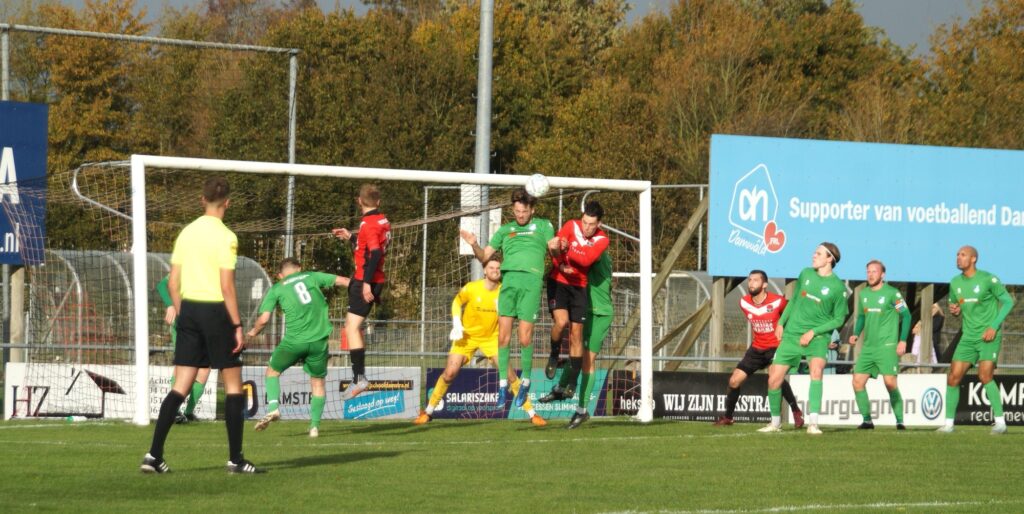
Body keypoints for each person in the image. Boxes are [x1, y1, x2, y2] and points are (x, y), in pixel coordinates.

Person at [141, 176, 260, 474]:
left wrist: (185, 315)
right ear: (228, 203)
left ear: (201, 200)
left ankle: (153, 456)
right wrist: (237, 325)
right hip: (216, 311)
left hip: (190, 311)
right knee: (233, 386)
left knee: (180, 385)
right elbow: (227, 286)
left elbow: (173, 283)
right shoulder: (226, 236)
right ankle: (235, 459)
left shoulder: (186, 232)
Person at [413, 255, 546, 426]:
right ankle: (428, 412)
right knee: (450, 372)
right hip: (466, 337)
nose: (495, 271)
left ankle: (532, 414)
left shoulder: (505, 291)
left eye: (498, 268)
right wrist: (456, 323)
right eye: (491, 268)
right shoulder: (472, 288)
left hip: (492, 339)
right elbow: (456, 302)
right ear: (484, 270)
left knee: (510, 375)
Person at [460, 187, 556, 407]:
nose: (520, 215)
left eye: (524, 211)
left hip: (530, 284)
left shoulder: (544, 226)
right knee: (502, 338)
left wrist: (557, 246)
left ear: (532, 209)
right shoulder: (505, 230)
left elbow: (554, 249)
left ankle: (526, 382)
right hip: (509, 284)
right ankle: (503, 385)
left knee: (524, 338)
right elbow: (484, 256)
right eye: (517, 211)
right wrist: (474, 243)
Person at [247, 258, 350, 438]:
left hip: (294, 342)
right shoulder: (311, 276)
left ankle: (273, 408)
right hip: (319, 342)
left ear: (280, 275)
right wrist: (365, 289)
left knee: (272, 372)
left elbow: (263, 320)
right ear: (299, 268)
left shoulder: (277, 288)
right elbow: (344, 281)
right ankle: (314, 427)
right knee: (317, 383)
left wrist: (251, 333)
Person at [759, 242, 848, 435]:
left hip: (817, 338)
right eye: (814, 252)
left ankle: (813, 424)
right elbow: (794, 301)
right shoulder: (806, 274)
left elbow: (839, 319)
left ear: (829, 259)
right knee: (774, 379)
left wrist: (813, 332)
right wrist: (781, 322)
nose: (813, 255)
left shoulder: (838, 287)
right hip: (792, 335)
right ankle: (775, 423)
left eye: (818, 253)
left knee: (816, 372)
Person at [938, 246, 1014, 434]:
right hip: (968, 337)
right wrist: (955, 310)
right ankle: (948, 425)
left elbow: (1008, 302)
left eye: (963, 255)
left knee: (985, 376)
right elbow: (954, 306)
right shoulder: (955, 282)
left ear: (973, 259)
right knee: (953, 377)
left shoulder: (988, 279)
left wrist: (993, 326)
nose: (958, 258)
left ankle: (1000, 423)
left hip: (988, 336)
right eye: (957, 255)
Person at [713, 270, 804, 428]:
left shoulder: (778, 301)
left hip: (777, 347)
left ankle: (795, 411)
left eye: (756, 280)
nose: (751, 283)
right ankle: (728, 417)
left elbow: (792, 315)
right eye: (750, 280)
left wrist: (788, 334)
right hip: (757, 348)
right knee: (734, 381)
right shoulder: (744, 302)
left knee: (775, 379)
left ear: (765, 284)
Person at [539, 251, 614, 429]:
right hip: (586, 310)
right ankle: (560, 389)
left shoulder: (598, 253)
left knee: (587, 360)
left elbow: (582, 258)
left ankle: (582, 410)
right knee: (577, 353)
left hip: (600, 313)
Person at [544, 201, 609, 396]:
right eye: (584, 222)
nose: (586, 227)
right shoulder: (571, 225)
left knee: (577, 334)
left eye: (591, 224)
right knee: (561, 322)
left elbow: (585, 260)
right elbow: (553, 250)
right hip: (558, 280)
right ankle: (554, 354)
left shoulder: (602, 239)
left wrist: (567, 249)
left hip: (579, 286)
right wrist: (557, 254)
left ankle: (572, 380)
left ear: (599, 224)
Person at [331, 184, 390, 401]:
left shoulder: (369, 224)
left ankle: (359, 378)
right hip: (373, 278)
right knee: (351, 326)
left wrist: (365, 283)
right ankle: (358, 377)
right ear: (378, 202)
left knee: (351, 328)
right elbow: (369, 248)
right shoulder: (382, 220)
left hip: (366, 279)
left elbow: (374, 254)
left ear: (359, 201)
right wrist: (351, 238)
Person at [848, 260, 911, 430]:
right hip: (869, 347)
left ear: (882, 274)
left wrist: (902, 340)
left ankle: (900, 421)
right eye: (868, 271)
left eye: (874, 271)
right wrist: (856, 333)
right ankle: (867, 421)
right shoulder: (863, 294)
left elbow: (906, 315)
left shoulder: (892, 293)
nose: (870, 274)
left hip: (887, 346)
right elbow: (862, 317)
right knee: (857, 382)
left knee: (890, 383)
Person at [156, 275, 210, 424]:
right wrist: (170, 305)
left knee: (204, 369)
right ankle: (174, 411)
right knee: (184, 365)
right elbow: (162, 285)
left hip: (203, 323)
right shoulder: (185, 267)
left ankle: (188, 412)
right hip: (183, 324)